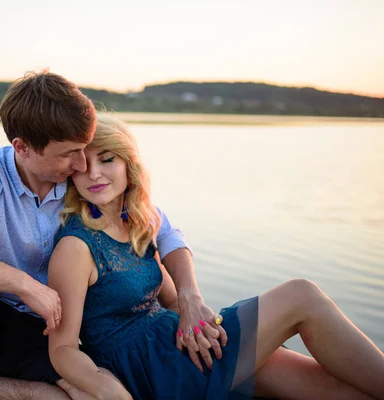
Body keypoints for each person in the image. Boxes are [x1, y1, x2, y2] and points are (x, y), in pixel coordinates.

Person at [0, 71, 194, 400]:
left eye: (84, 149)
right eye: (69, 153)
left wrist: (190, 295)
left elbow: (158, 225)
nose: (82, 164)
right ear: (22, 148)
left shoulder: (82, 181)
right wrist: (22, 284)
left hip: (48, 330)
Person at [47, 114, 384, 400]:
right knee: (301, 295)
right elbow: (62, 350)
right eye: (83, 165)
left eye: (107, 159)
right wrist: (111, 392)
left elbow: (170, 301)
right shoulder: (76, 246)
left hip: (179, 345)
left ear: (128, 163)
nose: (93, 174)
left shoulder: (135, 225)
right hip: (155, 369)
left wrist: (197, 326)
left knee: (333, 387)